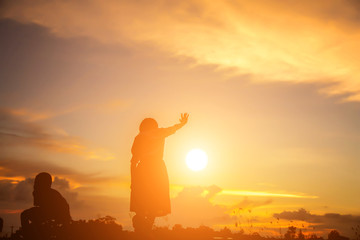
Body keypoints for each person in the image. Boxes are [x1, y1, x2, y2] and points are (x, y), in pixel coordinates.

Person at [130, 113, 189, 232]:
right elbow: (173, 129)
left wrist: (133, 180)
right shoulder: (159, 132)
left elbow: (133, 162)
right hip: (157, 169)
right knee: (155, 199)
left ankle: (141, 226)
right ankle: (148, 225)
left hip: (143, 169)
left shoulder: (139, 137)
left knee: (142, 199)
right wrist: (182, 124)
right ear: (154, 126)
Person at [21, 172, 71, 239]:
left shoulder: (51, 194)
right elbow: (39, 206)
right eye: (36, 182)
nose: (35, 185)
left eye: (37, 182)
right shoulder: (40, 192)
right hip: (49, 214)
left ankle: (27, 236)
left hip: (55, 214)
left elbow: (53, 210)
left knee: (24, 215)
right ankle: (29, 234)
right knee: (25, 215)